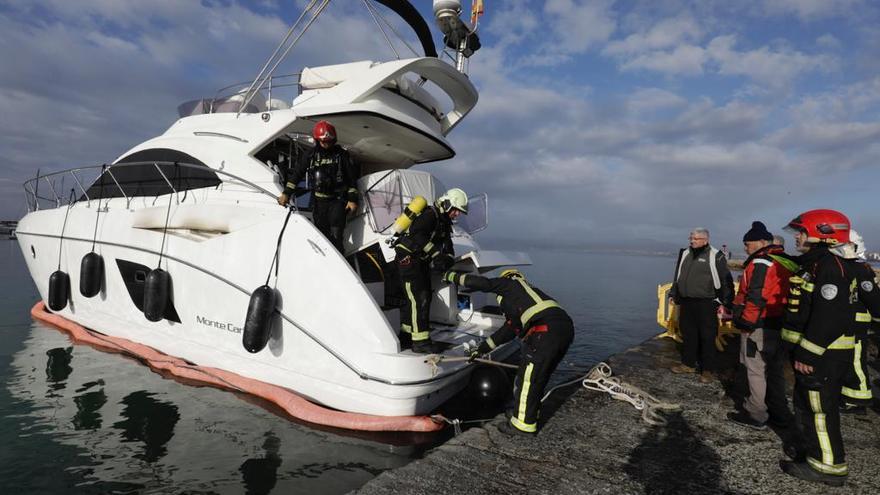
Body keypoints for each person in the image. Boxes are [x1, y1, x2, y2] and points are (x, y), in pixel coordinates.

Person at [778, 209, 858, 486]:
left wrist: (808, 353)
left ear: (821, 234)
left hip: (824, 357)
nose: (797, 237)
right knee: (806, 407)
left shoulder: (828, 268)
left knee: (821, 411)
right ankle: (811, 453)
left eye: (801, 232)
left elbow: (831, 318)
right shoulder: (814, 264)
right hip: (815, 354)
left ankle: (828, 467)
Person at [444, 268, 573, 435]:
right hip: (564, 329)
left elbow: (484, 283)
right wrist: (482, 349)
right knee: (538, 377)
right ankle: (528, 414)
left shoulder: (510, 284)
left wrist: (452, 276)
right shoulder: (529, 296)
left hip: (544, 332)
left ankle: (523, 426)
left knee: (528, 380)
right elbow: (509, 330)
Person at [727, 222, 797, 430]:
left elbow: (756, 296)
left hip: (758, 325)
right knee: (774, 370)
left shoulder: (761, 263)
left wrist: (745, 322)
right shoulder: (786, 261)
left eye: (748, 244)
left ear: (761, 243)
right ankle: (780, 412)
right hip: (779, 324)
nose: (745, 248)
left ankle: (756, 413)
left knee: (755, 369)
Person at [393, 188, 468, 353]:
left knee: (419, 297)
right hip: (409, 260)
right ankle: (420, 342)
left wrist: (447, 258)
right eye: (456, 210)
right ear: (447, 204)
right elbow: (417, 235)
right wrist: (435, 254)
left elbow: (448, 245)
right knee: (418, 299)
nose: (457, 214)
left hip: (419, 263)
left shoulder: (443, 222)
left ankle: (406, 336)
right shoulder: (430, 215)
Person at [278, 120, 359, 253]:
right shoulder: (310, 155)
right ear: (317, 140)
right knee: (321, 237)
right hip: (318, 203)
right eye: (323, 141)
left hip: (337, 202)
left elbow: (352, 179)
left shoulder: (342, 155)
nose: (326, 144)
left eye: (329, 141)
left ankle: (339, 264)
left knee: (336, 236)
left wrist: (353, 200)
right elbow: (297, 174)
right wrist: (286, 193)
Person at [669, 228, 735, 382]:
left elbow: (726, 280)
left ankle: (707, 370)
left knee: (707, 336)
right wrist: (673, 293)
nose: (692, 241)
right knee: (688, 334)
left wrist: (726, 302)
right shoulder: (685, 253)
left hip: (706, 302)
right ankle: (688, 364)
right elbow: (677, 275)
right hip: (686, 301)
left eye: (696, 238)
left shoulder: (715, 255)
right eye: (691, 238)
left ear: (706, 240)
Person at [834, 229, 879, 414]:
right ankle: (850, 397)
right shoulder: (851, 267)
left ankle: (859, 401)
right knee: (849, 361)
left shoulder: (861, 269)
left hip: (857, 323)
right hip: (848, 322)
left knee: (856, 362)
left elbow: (873, 299)